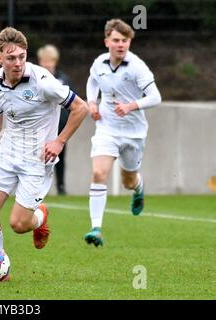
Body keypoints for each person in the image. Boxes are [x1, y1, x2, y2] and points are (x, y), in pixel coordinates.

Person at [0, 27, 88, 252]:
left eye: (21, 56)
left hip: (37, 158)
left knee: (18, 224)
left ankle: (40, 217)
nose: (17, 63)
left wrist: (59, 141)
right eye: (11, 58)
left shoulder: (43, 81)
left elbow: (81, 108)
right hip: (8, 151)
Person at [84, 19, 162, 247]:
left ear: (130, 42)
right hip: (107, 128)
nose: (120, 45)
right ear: (107, 41)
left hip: (134, 133)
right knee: (99, 172)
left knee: (128, 181)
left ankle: (138, 187)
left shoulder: (137, 66)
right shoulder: (99, 63)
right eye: (116, 40)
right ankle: (96, 228)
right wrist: (91, 103)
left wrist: (132, 105)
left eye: (125, 41)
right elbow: (92, 81)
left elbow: (156, 97)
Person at [37, 44, 75, 195]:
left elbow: (74, 104)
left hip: (59, 127)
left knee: (59, 156)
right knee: (38, 157)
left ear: (55, 61)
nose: (47, 64)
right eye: (44, 61)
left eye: (50, 61)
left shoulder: (63, 80)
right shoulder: (35, 79)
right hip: (40, 127)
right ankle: (36, 189)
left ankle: (61, 187)